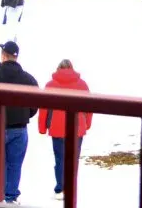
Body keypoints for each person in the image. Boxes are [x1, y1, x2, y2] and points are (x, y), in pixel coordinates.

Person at [0, 41, 39, 204]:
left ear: (3, 56)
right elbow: (35, 106)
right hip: (19, 129)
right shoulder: (29, 79)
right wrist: (24, 115)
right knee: (14, 165)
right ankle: (10, 197)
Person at [37, 59, 92, 200]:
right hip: (77, 127)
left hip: (57, 127)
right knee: (73, 159)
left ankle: (60, 188)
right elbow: (89, 107)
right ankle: (71, 188)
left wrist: (42, 127)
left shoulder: (50, 85)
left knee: (60, 159)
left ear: (58, 69)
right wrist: (87, 123)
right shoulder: (82, 85)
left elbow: (43, 108)